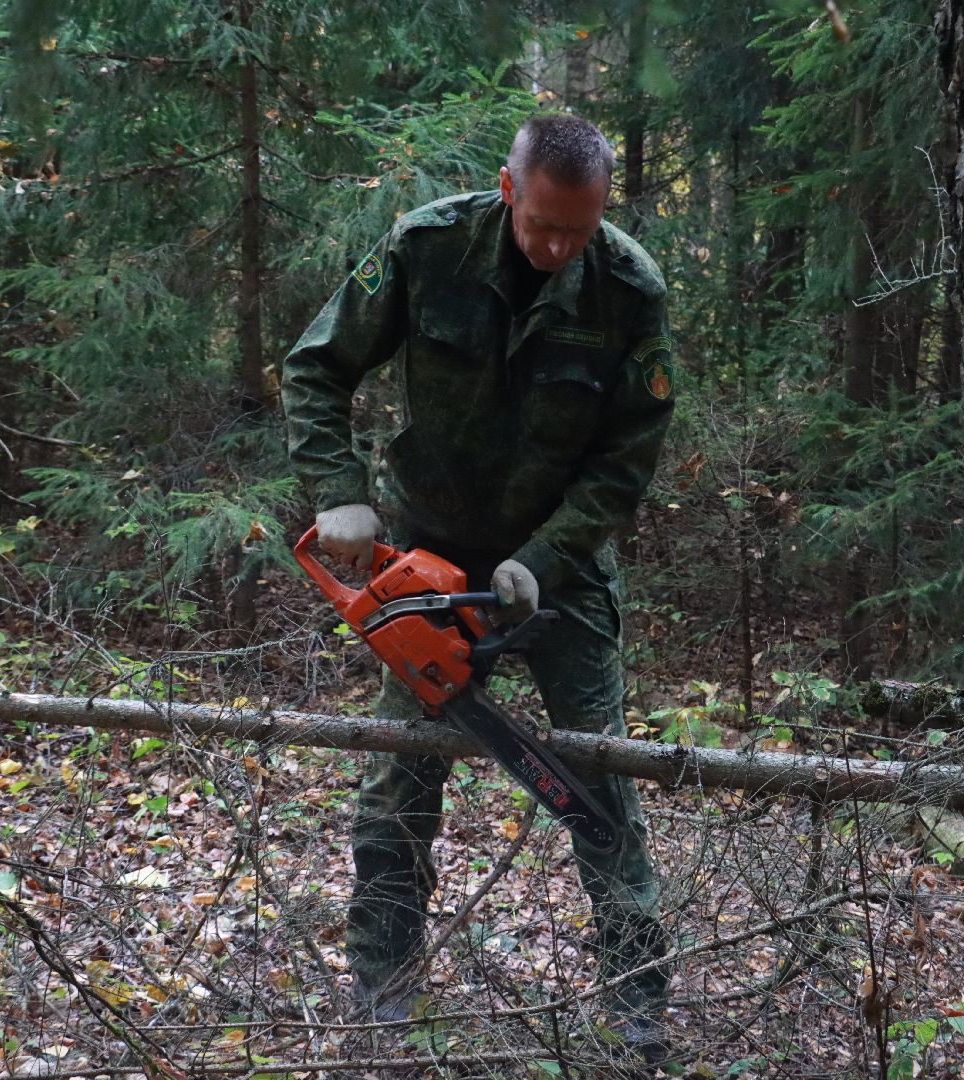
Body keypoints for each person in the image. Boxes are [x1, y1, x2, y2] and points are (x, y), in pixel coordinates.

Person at [280, 114, 676, 1061]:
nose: (556, 247)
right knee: (401, 783)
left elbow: (626, 460)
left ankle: (636, 1005)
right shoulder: (428, 247)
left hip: (563, 572)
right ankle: (382, 989)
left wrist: (540, 565)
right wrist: (340, 498)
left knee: (599, 782)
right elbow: (316, 366)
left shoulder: (628, 290)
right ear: (510, 191)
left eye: (577, 231)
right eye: (543, 224)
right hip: (429, 565)